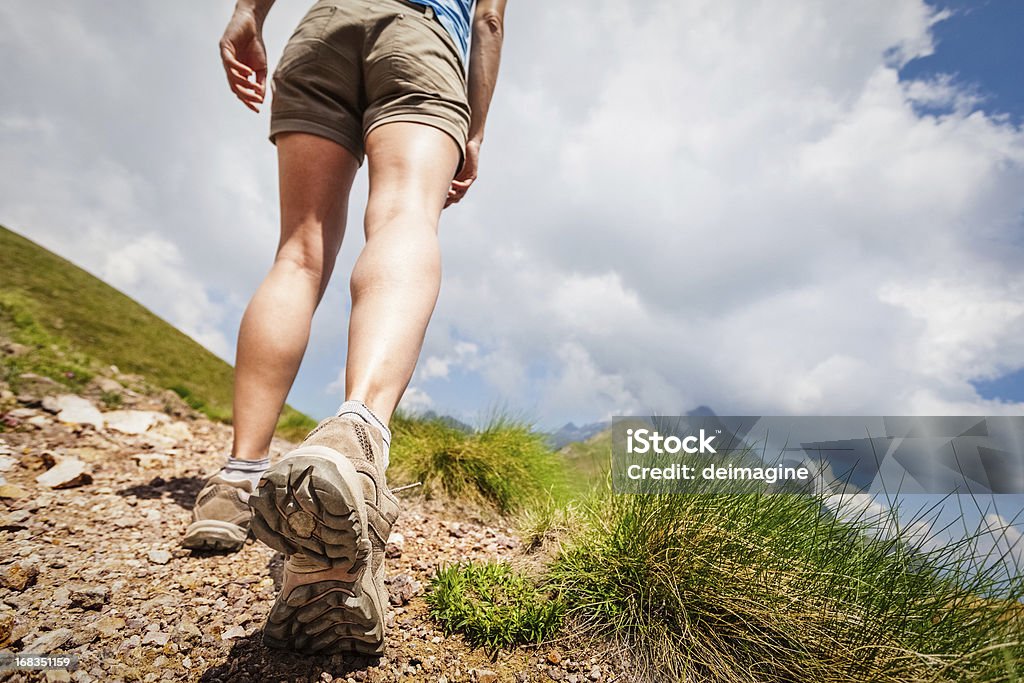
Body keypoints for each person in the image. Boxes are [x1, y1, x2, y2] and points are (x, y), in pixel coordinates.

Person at [181, 0, 507, 656]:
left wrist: (249, 14)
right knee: (403, 215)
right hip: (421, 35)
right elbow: (490, 18)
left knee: (298, 253)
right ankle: (356, 434)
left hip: (325, 27)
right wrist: (474, 127)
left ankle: (237, 479)